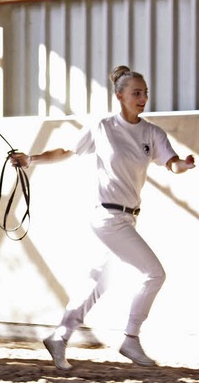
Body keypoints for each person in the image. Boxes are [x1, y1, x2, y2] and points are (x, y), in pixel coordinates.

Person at [10, 65, 195, 370]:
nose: (143, 97)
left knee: (99, 281)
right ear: (120, 96)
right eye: (136, 92)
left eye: (145, 92)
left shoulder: (151, 132)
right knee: (154, 274)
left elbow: (171, 162)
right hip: (107, 218)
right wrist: (31, 159)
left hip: (128, 219)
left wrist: (184, 165)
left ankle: (60, 335)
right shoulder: (103, 127)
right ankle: (131, 339)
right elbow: (66, 151)